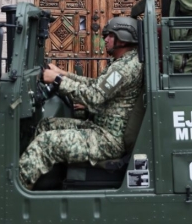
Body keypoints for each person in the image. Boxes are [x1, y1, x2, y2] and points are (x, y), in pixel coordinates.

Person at [18, 16, 143, 190]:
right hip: (100, 129)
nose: (105, 39)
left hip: (108, 140)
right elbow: (95, 84)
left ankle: (14, 193)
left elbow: (94, 96)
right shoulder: (126, 62)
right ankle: (42, 184)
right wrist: (63, 74)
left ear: (123, 39)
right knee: (45, 125)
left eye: (110, 35)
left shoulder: (125, 68)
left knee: (46, 142)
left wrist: (58, 81)